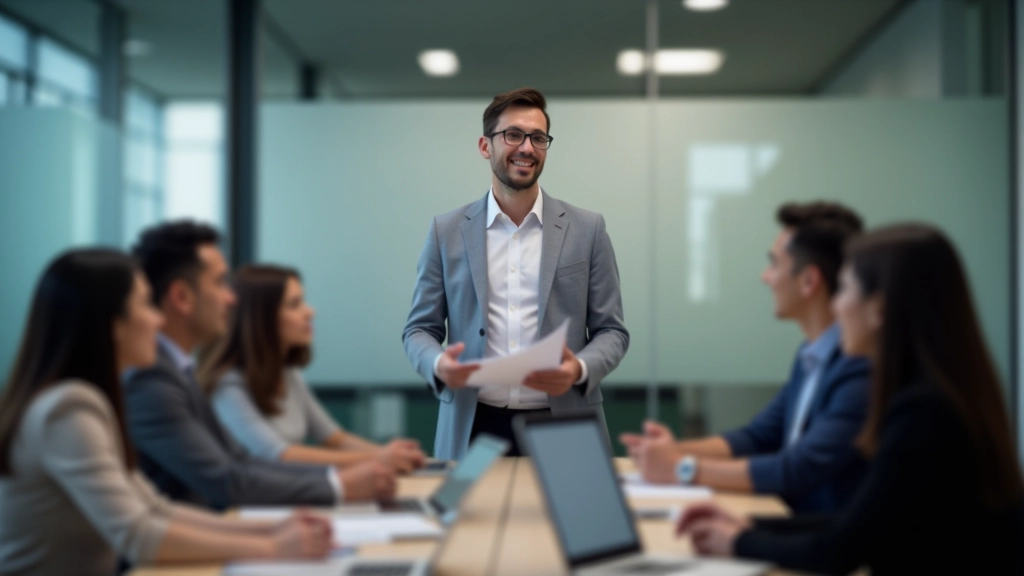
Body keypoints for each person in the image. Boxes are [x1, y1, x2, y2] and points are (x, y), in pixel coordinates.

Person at [677, 224, 1024, 575]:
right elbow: (858, 523)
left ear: (879, 310)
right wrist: (750, 525)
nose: (836, 305)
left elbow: (839, 550)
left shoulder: (923, 414)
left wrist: (738, 541)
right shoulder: (938, 396)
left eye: (843, 289)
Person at [0, 249, 332, 576]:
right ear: (111, 324)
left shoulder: (83, 401)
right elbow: (138, 535)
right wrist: (273, 547)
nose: (159, 320)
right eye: (147, 304)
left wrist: (272, 529)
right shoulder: (68, 410)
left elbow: (156, 509)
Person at [402, 87, 629, 458]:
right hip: (473, 427)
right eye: (513, 135)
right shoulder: (447, 231)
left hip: (564, 423)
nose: (527, 147)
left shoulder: (588, 229)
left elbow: (612, 332)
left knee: (570, 500)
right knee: (469, 501)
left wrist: (578, 368)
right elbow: (419, 330)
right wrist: (439, 364)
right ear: (485, 146)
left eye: (538, 138)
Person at [124, 221, 395, 510]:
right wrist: (339, 485)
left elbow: (241, 461)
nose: (231, 298)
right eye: (220, 282)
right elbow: (228, 479)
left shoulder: (179, 371)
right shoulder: (152, 382)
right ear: (181, 297)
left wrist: (339, 479)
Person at [622, 202, 869, 513]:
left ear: (809, 280)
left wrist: (681, 468)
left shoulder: (858, 368)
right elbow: (759, 437)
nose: (766, 277)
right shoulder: (810, 356)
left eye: (774, 264)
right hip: (791, 522)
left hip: (819, 535)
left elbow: (797, 467)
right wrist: (670, 451)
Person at [200, 264, 426, 471]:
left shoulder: (287, 373)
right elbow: (280, 456)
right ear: (261, 318)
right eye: (294, 304)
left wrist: (390, 454)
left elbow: (334, 438)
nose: (310, 312)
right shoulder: (227, 385)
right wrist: (379, 458)